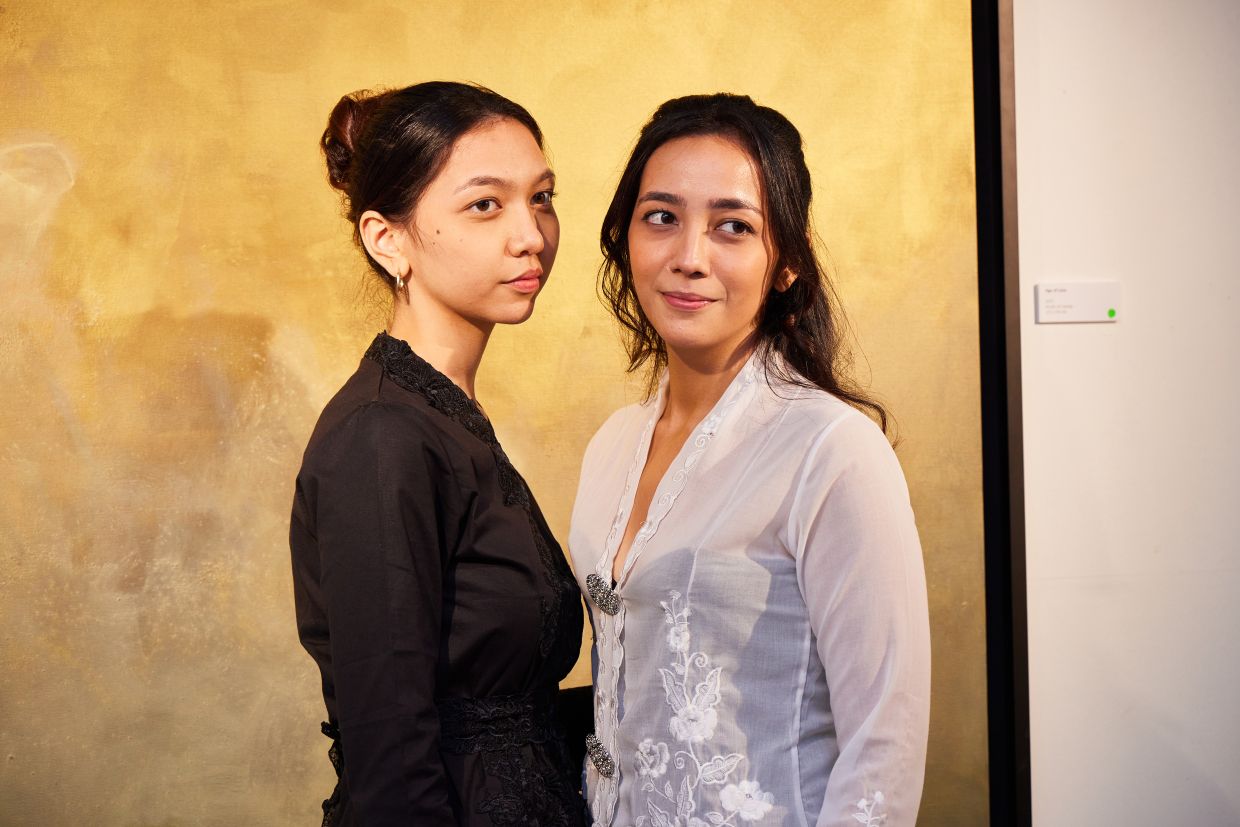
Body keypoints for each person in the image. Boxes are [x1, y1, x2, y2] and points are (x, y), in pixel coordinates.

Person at [569, 94, 931, 827]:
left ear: (787, 261)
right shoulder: (612, 444)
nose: (688, 257)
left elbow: (883, 744)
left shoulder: (830, 449)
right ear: (625, 236)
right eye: (661, 217)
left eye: (733, 226)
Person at [290, 81, 585, 826]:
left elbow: (501, 702)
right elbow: (392, 761)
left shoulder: (442, 412)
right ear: (387, 239)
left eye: (541, 197)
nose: (531, 234)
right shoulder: (382, 434)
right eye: (485, 204)